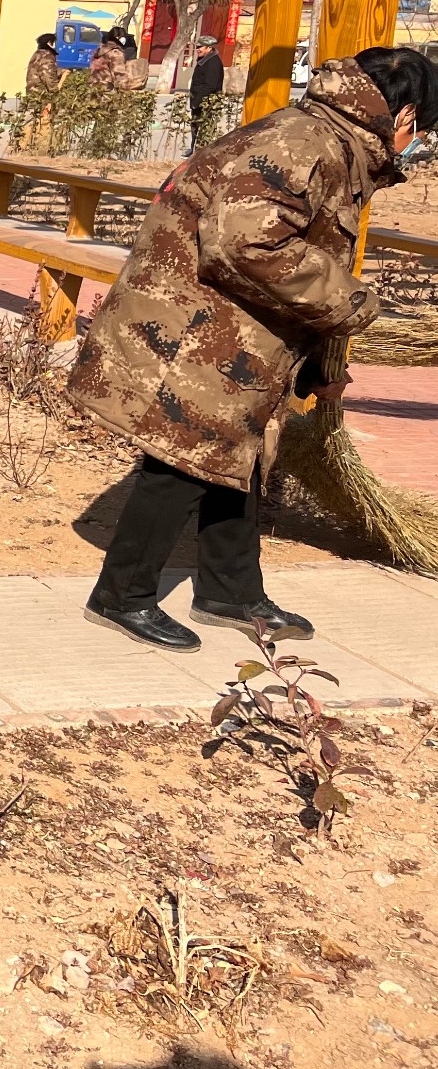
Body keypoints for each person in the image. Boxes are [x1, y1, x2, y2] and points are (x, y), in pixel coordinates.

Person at [69, 47, 438, 652]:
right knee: (182, 458)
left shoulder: (334, 143)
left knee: (237, 456)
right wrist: (349, 304)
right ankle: (121, 596)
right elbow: (246, 244)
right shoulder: (305, 143)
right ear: (404, 117)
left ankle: (229, 591)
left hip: (238, 328)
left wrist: (320, 359)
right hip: (197, 323)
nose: (419, 141)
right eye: (422, 128)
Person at [188, 34, 226, 151]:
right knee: (195, 126)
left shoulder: (213, 62)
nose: (197, 49)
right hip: (199, 101)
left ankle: (200, 152)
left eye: (201, 47)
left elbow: (210, 85)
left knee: (204, 128)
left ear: (209, 48)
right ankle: (194, 150)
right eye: (197, 46)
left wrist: (197, 101)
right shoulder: (204, 60)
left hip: (206, 102)